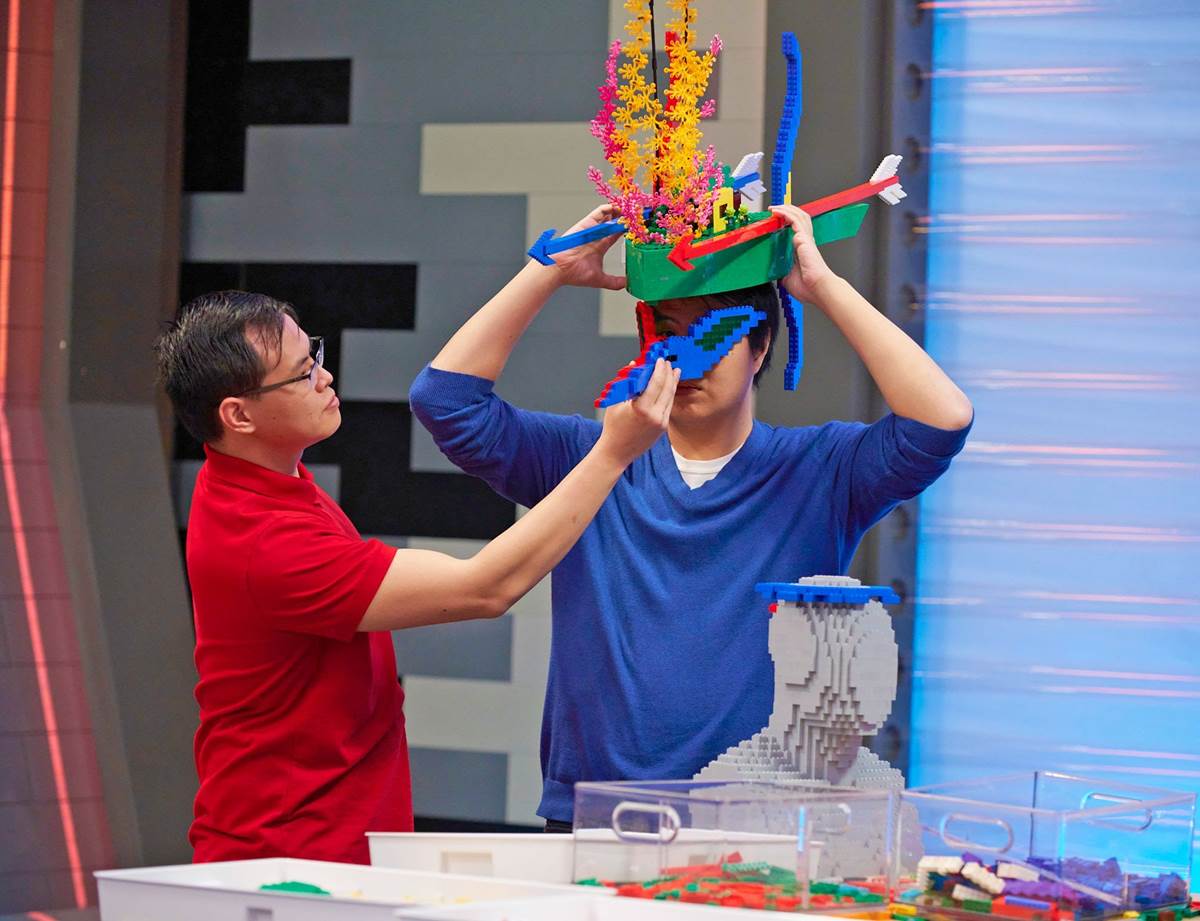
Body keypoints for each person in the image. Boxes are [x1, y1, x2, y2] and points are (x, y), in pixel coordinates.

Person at [407, 203, 974, 830]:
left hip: (759, 822)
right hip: (597, 814)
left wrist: (824, 287)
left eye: (715, 335)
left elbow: (942, 418)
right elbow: (445, 400)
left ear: (760, 348)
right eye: (667, 334)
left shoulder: (821, 471)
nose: (687, 359)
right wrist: (548, 271)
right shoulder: (586, 460)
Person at [154, 290, 678, 863]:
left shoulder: (264, 481)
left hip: (328, 842)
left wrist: (548, 270)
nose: (326, 378)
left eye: (316, 356)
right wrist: (611, 455)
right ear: (238, 415)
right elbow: (485, 588)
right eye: (302, 375)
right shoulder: (264, 542)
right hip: (286, 859)